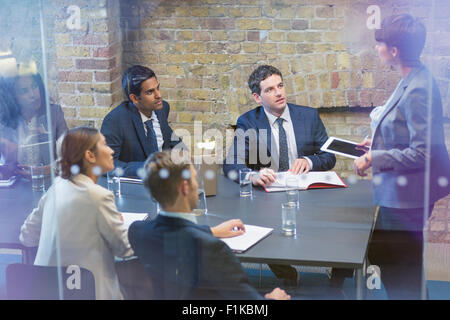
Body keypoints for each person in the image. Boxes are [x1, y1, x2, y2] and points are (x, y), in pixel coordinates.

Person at [353, 14, 450, 299]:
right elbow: (405, 131)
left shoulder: (419, 88)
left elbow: (423, 152)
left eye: (380, 43)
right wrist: (378, 142)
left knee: (403, 270)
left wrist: (373, 158)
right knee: (382, 254)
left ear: (394, 51)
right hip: (399, 195)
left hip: (407, 198)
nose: (377, 48)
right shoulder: (411, 77)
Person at [223, 65, 343, 287]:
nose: (279, 93)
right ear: (257, 97)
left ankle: (338, 279)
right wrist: (253, 175)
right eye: (270, 90)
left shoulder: (308, 116)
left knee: (342, 227)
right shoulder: (248, 122)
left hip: (309, 193)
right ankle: (285, 273)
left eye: (280, 86)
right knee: (264, 230)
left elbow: (329, 157)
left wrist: (309, 161)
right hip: (270, 197)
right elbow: (231, 164)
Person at [128, 151, 291, 300]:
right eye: (194, 179)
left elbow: (174, 233)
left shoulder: (137, 231)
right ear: (184, 187)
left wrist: (212, 231)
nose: (197, 185)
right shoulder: (213, 250)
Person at [20, 127, 134, 300]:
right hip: (90, 291)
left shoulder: (56, 187)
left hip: (46, 291)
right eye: (105, 145)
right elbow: (124, 249)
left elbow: (26, 237)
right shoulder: (99, 196)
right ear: (90, 155)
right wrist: (124, 225)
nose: (111, 151)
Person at [101, 65, 183, 177]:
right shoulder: (115, 120)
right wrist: (149, 167)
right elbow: (106, 166)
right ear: (134, 98)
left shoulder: (162, 109)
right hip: (135, 187)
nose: (158, 95)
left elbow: (172, 141)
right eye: (150, 92)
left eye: (158, 88)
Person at [12, 72, 67, 177]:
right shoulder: (8, 121)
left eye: (34, 86)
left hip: (50, 180)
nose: (33, 94)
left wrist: (49, 169)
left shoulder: (54, 113)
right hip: (16, 182)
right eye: (24, 91)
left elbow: (70, 154)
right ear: (15, 98)